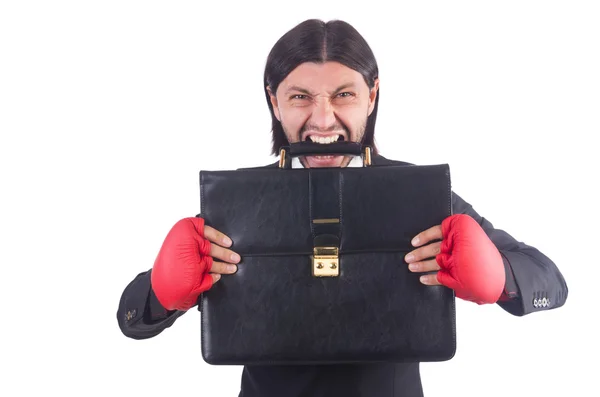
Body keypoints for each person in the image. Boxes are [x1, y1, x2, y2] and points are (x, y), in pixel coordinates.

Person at [117, 18, 568, 397]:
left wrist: (501, 276)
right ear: (274, 101)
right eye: (300, 97)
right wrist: (161, 295)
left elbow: (552, 281)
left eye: (343, 95)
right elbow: (131, 317)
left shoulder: (421, 195)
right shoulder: (239, 200)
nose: (323, 118)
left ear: (372, 96)